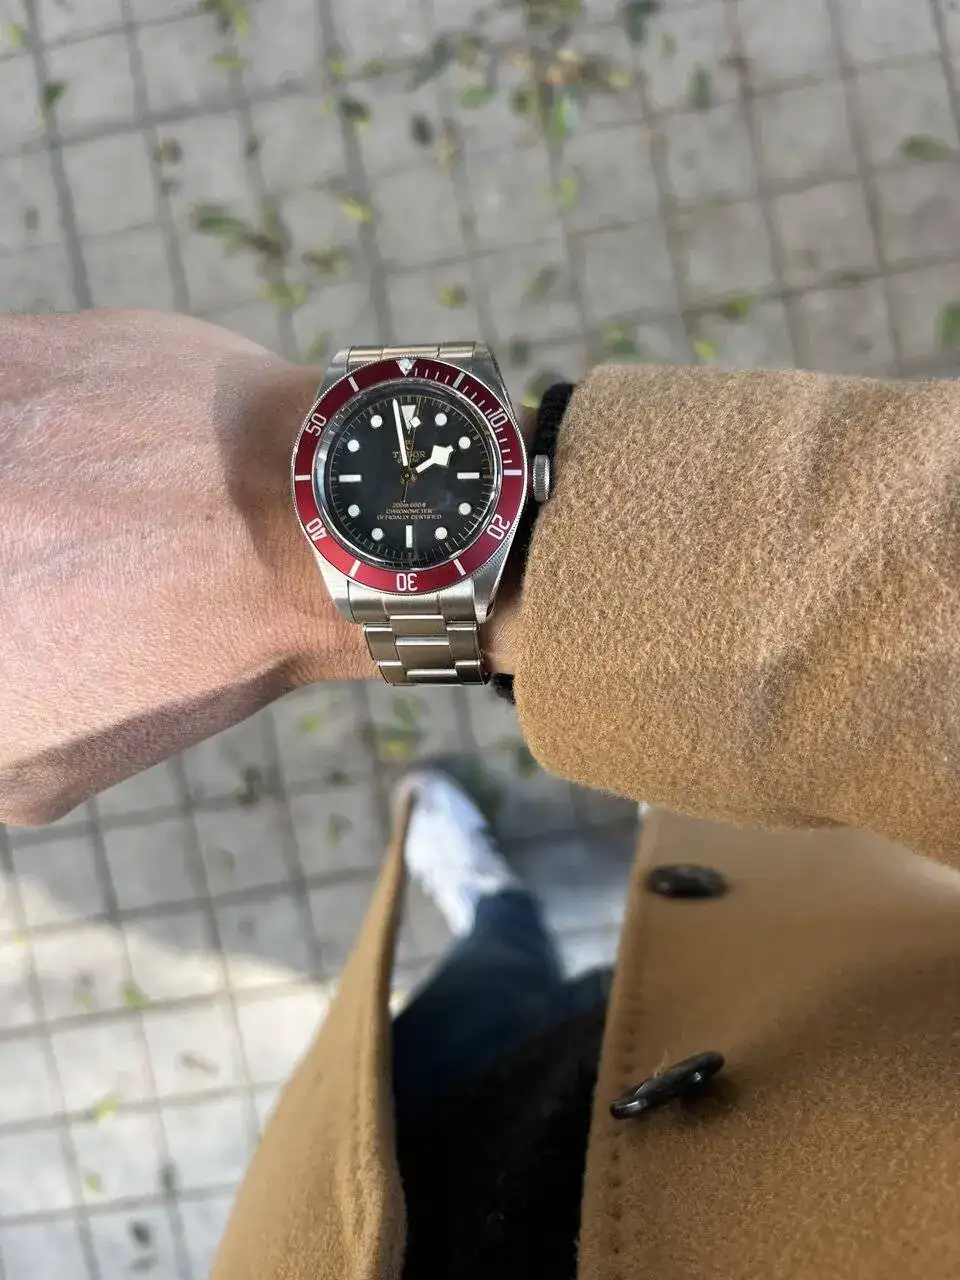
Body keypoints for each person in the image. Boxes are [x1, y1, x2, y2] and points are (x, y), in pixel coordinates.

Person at [4, 308, 960, 1280]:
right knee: (550, 970)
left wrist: (276, 486)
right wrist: (589, 570)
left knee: (486, 985)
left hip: (392, 1164)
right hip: (819, 1005)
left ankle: (538, 875)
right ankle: (638, 788)